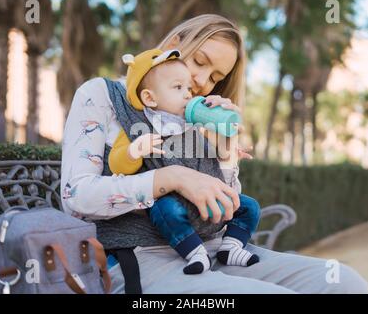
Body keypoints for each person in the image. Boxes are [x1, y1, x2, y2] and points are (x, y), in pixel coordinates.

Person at [61, 14, 368, 293]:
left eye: (214, 77)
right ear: (172, 45)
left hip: (214, 248)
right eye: (199, 62)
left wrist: (224, 149)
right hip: (139, 258)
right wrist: (171, 178)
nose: (201, 82)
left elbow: (224, 205)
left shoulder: (194, 114)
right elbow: (75, 197)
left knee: (345, 283)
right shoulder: (101, 95)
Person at [107, 47, 261, 275]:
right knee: (163, 210)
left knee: (248, 206)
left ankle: (232, 246)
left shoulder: (193, 123)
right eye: (178, 88)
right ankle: (194, 252)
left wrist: (230, 148)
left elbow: (213, 154)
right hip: (174, 201)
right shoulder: (140, 126)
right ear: (150, 97)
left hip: (206, 201)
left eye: (189, 88)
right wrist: (132, 151)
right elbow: (116, 164)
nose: (189, 94)